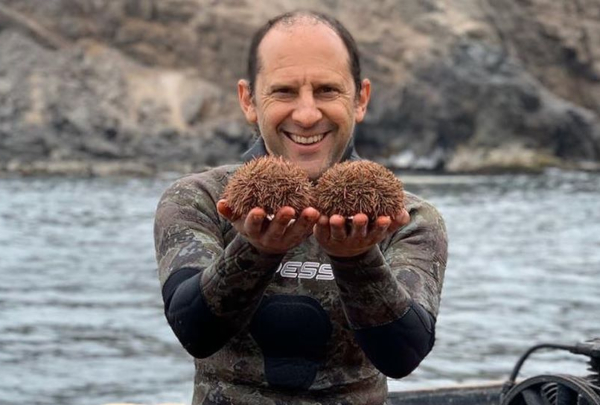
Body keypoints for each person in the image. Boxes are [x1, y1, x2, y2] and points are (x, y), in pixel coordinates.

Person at [154, 10, 447, 405]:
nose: (307, 115)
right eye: (284, 91)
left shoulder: (403, 218)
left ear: (360, 99)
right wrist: (256, 250)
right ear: (249, 100)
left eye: (327, 90)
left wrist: (357, 258)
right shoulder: (204, 200)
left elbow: (402, 355)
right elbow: (195, 331)